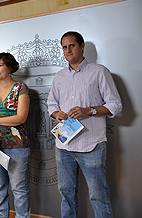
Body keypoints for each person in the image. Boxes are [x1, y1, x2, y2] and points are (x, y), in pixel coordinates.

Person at [47, 31, 122, 218]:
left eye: (72, 45)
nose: (68, 50)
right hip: (63, 145)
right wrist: (57, 114)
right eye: (64, 47)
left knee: (98, 196)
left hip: (92, 144)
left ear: (82, 46)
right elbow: (51, 104)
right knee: (66, 194)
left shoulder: (99, 72)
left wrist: (89, 110)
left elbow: (116, 106)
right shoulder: (59, 76)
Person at [0, 52, 31, 218]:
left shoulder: (21, 88)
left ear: (10, 67)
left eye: (1, 64)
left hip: (17, 145)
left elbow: (20, 118)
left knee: (19, 187)